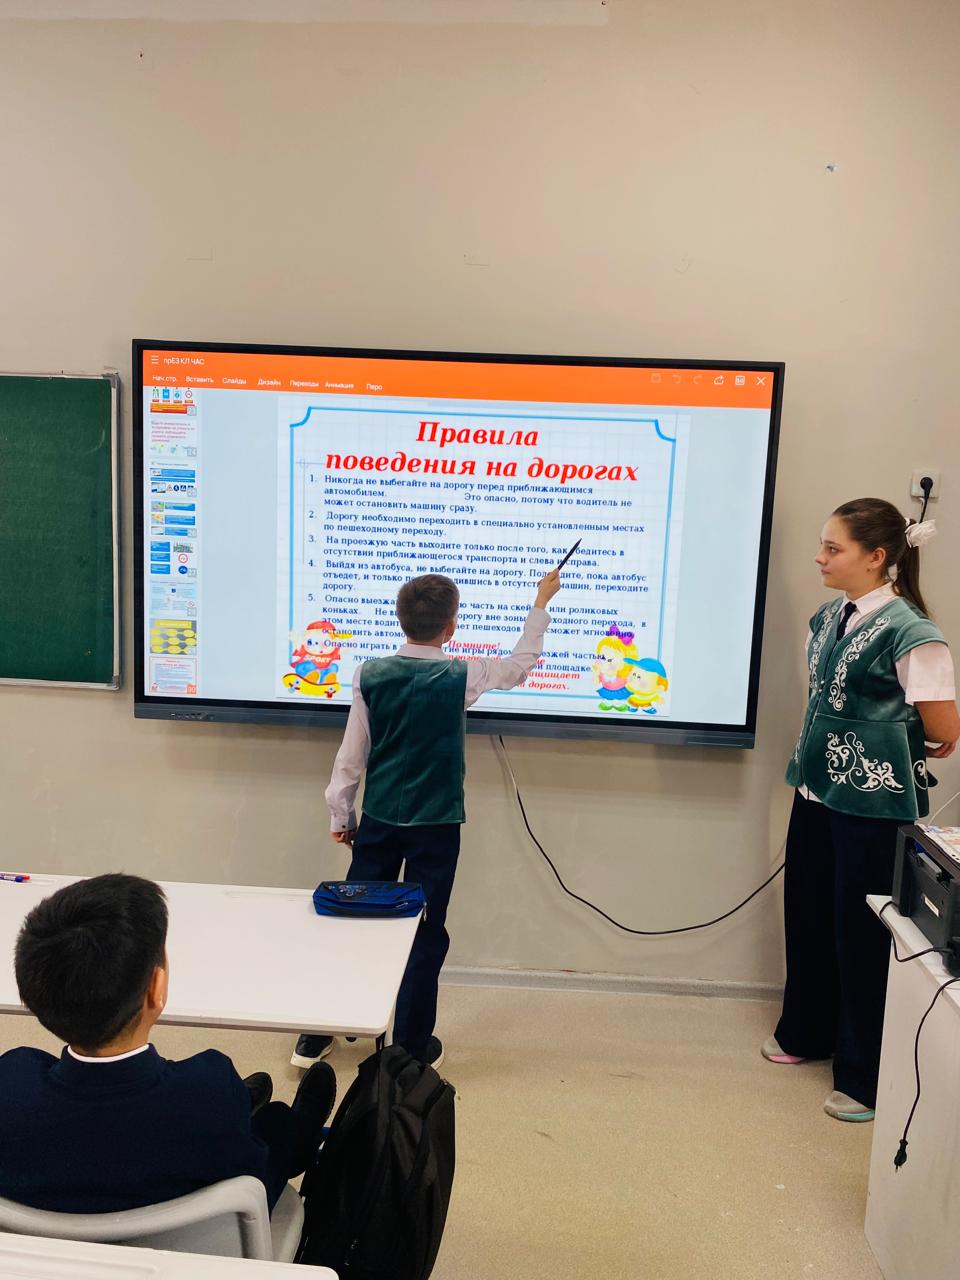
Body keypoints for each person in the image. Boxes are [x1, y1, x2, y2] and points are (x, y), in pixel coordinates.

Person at [292, 568, 561, 1070]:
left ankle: (316, 1035)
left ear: (400, 619)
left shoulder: (369, 674)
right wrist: (540, 602)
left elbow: (352, 755)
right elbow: (520, 665)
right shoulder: (463, 675)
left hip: (380, 820)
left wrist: (341, 812)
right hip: (437, 825)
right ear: (451, 626)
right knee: (424, 930)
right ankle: (410, 1050)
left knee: (353, 921)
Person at [764, 499, 960, 1121]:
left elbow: (944, 726)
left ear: (876, 557)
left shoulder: (912, 631)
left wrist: (906, 736)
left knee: (863, 932)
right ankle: (806, 1031)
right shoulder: (828, 617)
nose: (820, 558)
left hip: (872, 805)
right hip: (816, 790)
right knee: (810, 913)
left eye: (833, 549)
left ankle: (865, 1075)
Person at [1, 873, 336, 1213]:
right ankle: (301, 1138)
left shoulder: (11, 1083)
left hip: (47, 1235)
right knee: (277, 1123)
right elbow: (249, 1175)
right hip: (208, 1227)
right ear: (156, 988)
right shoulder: (210, 1086)